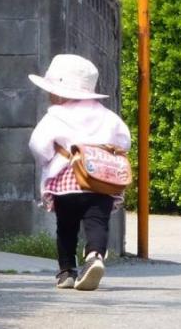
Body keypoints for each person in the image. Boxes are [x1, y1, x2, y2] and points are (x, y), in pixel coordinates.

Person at [28, 54, 131, 291]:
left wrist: (48, 160)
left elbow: (38, 145)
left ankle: (66, 272)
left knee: (66, 227)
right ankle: (95, 256)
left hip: (67, 179)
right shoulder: (107, 116)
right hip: (101, 181)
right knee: (97, 223)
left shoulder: (55, 115)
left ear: (60, 93)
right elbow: (124, 140)